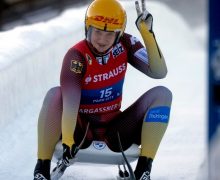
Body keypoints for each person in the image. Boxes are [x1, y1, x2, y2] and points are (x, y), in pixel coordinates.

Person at [33, 0, 172, 179]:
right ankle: (41, 168)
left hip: (116, 130)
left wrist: (147, 34)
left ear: (119, 34)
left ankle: (144, 169)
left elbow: (159, 72)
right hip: (81, 130)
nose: (102, 40)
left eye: (109, 35)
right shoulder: (76, 56)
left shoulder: (127, 43)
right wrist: (68, 139)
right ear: (87, 28)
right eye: (97, 32)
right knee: (55, 93)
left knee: (162, 94)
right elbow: (69, 102)